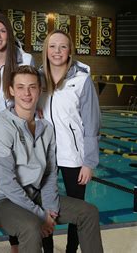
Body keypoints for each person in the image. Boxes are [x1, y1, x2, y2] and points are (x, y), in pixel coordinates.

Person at [0, 65, 103, 253]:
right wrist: (40, 215)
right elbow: (5, 181)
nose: (27, 93)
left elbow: (50, 174)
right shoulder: (1, 126)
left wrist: (50, 208)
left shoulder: (46, 128)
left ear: (40, 89)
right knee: (31, 227)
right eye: (20, 87)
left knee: (88, 212)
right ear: (11, 90)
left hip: (36, 196)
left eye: (32, 87)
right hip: (4, 200)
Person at [40, 30, 101, 253]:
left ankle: (70, 250)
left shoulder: (81, 79)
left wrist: (89, 162)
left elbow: (92, 123)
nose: (57, 51)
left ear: (70, 51)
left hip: (74, 157)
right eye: (52, 46)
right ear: (46, 50)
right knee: (42, 206)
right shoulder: (38, 78)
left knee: (79, 209)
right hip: (43, 156)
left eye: (63, 47)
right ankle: (47, 250)